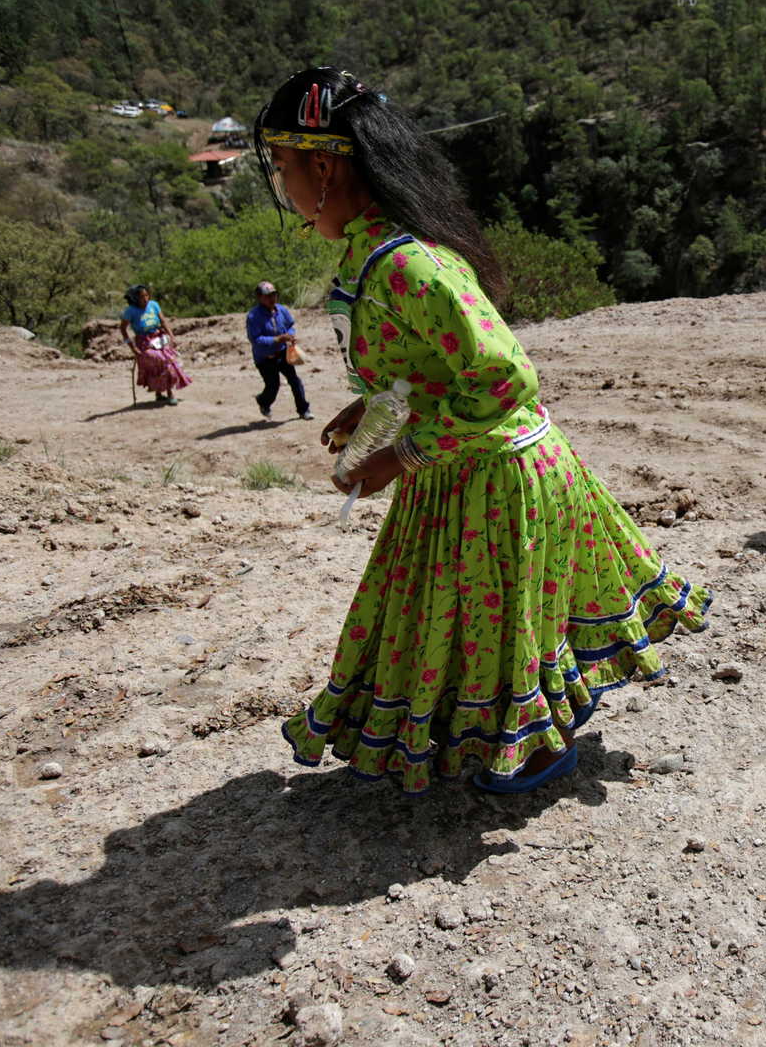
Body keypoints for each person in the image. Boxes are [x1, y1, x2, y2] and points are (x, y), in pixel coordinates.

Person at [254, 68, 711, 795]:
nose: (281, 189)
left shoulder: (408, 263)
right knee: (462, 621)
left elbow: (503, 381)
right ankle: (485, 737)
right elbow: (429, 367)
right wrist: (373, 408)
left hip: (496, 480)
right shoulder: (376, 255)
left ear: (321, 164)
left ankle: (530, 749)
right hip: (461, 473)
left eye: (280, 168)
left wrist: (398, 454)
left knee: (489, 626)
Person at [246, 280, 312, 420]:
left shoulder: (281, 310)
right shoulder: (253, 316)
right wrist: (277, 339)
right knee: (273, 386)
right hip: (265, 358)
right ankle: (263, 401)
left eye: (274, 295)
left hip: (282, 353)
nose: (272, 298)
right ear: (260, 298)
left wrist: (290, 335)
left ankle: (303, 410)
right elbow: (256, 340)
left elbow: (290, 325)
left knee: (295, 381)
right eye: (267, 296)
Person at [119, 284, 192, 405]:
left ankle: (167, 393)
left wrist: (171, 336)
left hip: (159, 338)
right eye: (142, 297)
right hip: (144, 342)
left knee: (168, 361)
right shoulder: (130, 311)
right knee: (159, 361)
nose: (145, 299)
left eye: (147, 295)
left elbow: (162, 321)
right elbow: (123, 329)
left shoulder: (154, 305)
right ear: (136, 298)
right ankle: (162, 392)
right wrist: (132, 347)